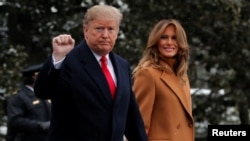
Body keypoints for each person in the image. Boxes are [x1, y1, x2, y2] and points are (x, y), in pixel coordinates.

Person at [33, 4, 147, 141]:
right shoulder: (68, 60)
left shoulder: (122, 65)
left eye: (111, 29)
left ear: (117, 33)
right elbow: (43, 91)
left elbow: (131, 116)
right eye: (99, 29)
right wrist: (57, 59)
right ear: (86, 30)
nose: (105, 35)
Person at [132, 19, 194, 141]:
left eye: (174, 38)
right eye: (164, 37)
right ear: (156, 41)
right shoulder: (147, 73)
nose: (169, 42)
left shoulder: (182, 76)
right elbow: (138, 125)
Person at [6, 64, 51, 141]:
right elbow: (15, 121)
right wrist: (40, 126)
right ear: (34, 77)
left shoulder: (44, 93)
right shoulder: (18, 97)